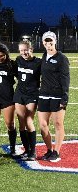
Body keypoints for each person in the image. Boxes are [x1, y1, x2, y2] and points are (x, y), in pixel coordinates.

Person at [38, 31, 70, 162]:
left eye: (51, 41)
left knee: (58, 124)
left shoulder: (62, 58)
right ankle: (49, 150)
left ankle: (56, 152)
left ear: (55, 41)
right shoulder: (44, 56)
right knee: (43, 125)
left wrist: (65, 97)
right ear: (43, 43)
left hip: (57, 96)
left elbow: (65, 79)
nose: (48, 44)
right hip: (44, 95)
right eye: (46, 41)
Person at [0, 43, 18, 157]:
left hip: (8, 98)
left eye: (2, 56)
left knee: (10, 124)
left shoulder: (12, 64)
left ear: (6, 54)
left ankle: (13, 149)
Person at [14, 40, 41, 161]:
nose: (24, 52)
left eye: (26, 49)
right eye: (21, 50)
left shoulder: (38, 62)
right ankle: (27, 150)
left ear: (31, 49)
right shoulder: (18, 61)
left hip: (32, 94)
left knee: (29, 121)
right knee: (21, 124)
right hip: (20, 94)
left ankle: (33, 152)